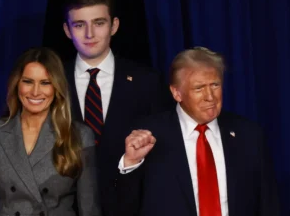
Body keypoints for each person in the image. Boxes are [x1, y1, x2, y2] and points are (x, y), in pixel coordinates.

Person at [117, 47, 280, 216]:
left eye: (215, 85)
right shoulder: (149, 135)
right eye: (199, 88)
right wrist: (131, 163)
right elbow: (124, 205)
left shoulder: (249, 134)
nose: (210, 96)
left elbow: (268, 203)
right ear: (176, 93)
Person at [62, 0, 172, 216]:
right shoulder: (51, 82)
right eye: (80, 25)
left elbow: (163, 153)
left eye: (99, 23)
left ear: (114, 26)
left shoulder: (147, 81)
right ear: (67, 30)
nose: (89, 34)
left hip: (132, 207)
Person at [0, 47, 101, 216]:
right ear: (17, 84)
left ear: (56, 88)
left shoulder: (80, 136)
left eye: (45, 83)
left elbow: (89, 208)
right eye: (28, 81)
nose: (35, 92)